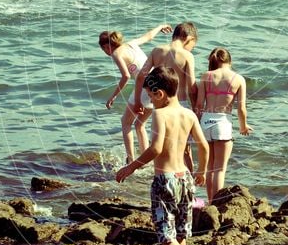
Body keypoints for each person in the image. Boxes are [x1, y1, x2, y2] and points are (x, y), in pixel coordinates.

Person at [115, 65, 208, 245]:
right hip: (185, 178)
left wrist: (131, 167)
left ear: (160, 94)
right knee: (181, 231)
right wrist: (202, 170)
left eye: (150, 96)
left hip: (165, 179)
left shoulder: (160, 114)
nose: (149, 101)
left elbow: (155, 148)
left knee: (165, 231)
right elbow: (203, 145)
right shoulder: (189, 114)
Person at [99, 24, 171, 162]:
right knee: (139, 124)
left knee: (125, 123)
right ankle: (145, 160)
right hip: (157, 85)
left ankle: (131, 160)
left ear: (106, 46)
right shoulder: (131, 44)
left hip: (145, 88)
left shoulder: (116, 53)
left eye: (103, 49)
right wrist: (160, 26)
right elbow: (149, 37)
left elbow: (126, 76)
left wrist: (113, 96)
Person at [133, 22, 198, 171]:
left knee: (161, 143)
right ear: (187, 38)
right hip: (179, 103)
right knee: (184, 147)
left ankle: (162, 174)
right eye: (193, 45)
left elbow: (141, 76)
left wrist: (138, 101)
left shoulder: (157, 50)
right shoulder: (186, 55)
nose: (192, 48)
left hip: (159, 103)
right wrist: (195, 109)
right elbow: (192, 88)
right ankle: (189, 182)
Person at [195, 46, 252, 203]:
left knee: (209, 168)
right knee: (219, 169)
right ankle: (216, 204)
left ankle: (209, 201)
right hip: (223, 122)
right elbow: (241, 108)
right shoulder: (238, 79)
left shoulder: (206, 76)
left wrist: (196, 125)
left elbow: (199, 104)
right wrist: (243, 126)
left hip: (206, 120)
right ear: (229, 60)